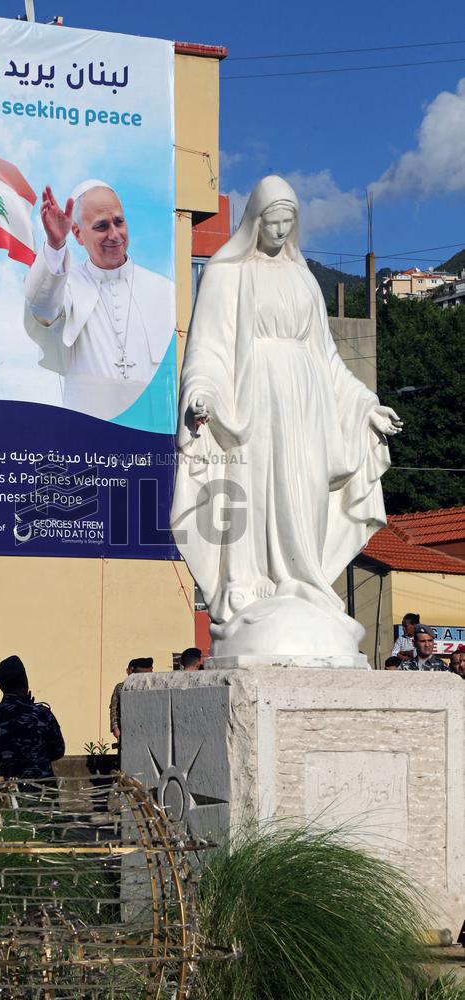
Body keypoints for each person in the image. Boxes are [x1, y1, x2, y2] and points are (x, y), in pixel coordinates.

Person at [171, 175, 403, 659]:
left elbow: (329, 362)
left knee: (306, 493)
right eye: (271, 221)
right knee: (255, 494)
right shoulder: (226, 273)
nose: (279, 231)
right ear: (254, 222)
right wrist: (200, 393)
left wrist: (365, 405)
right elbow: (208, 349)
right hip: (253, 403)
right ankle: (252, 582)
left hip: (308, 407)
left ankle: (305, 582)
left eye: (287, 223)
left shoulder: (304, 280)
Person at [23, 180, 174, 420]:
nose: (114, 235)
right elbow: (42, 306)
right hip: (87, 436)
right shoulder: (66, 283)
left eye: (119, 222)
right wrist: (55, 245)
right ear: (78, 234)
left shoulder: (164, 290)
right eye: (102, 226)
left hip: (150, 433)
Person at [0, 655, 64, 780]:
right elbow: (58, 751)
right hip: (40, 793)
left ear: (1, 686)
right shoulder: (42, 715)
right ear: (25, 680)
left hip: (3, 793)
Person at [109, 657, 154, 743]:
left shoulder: (152, 686)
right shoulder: (121, 687)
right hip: (126, 730)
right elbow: (114, 708)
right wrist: (115, 728)